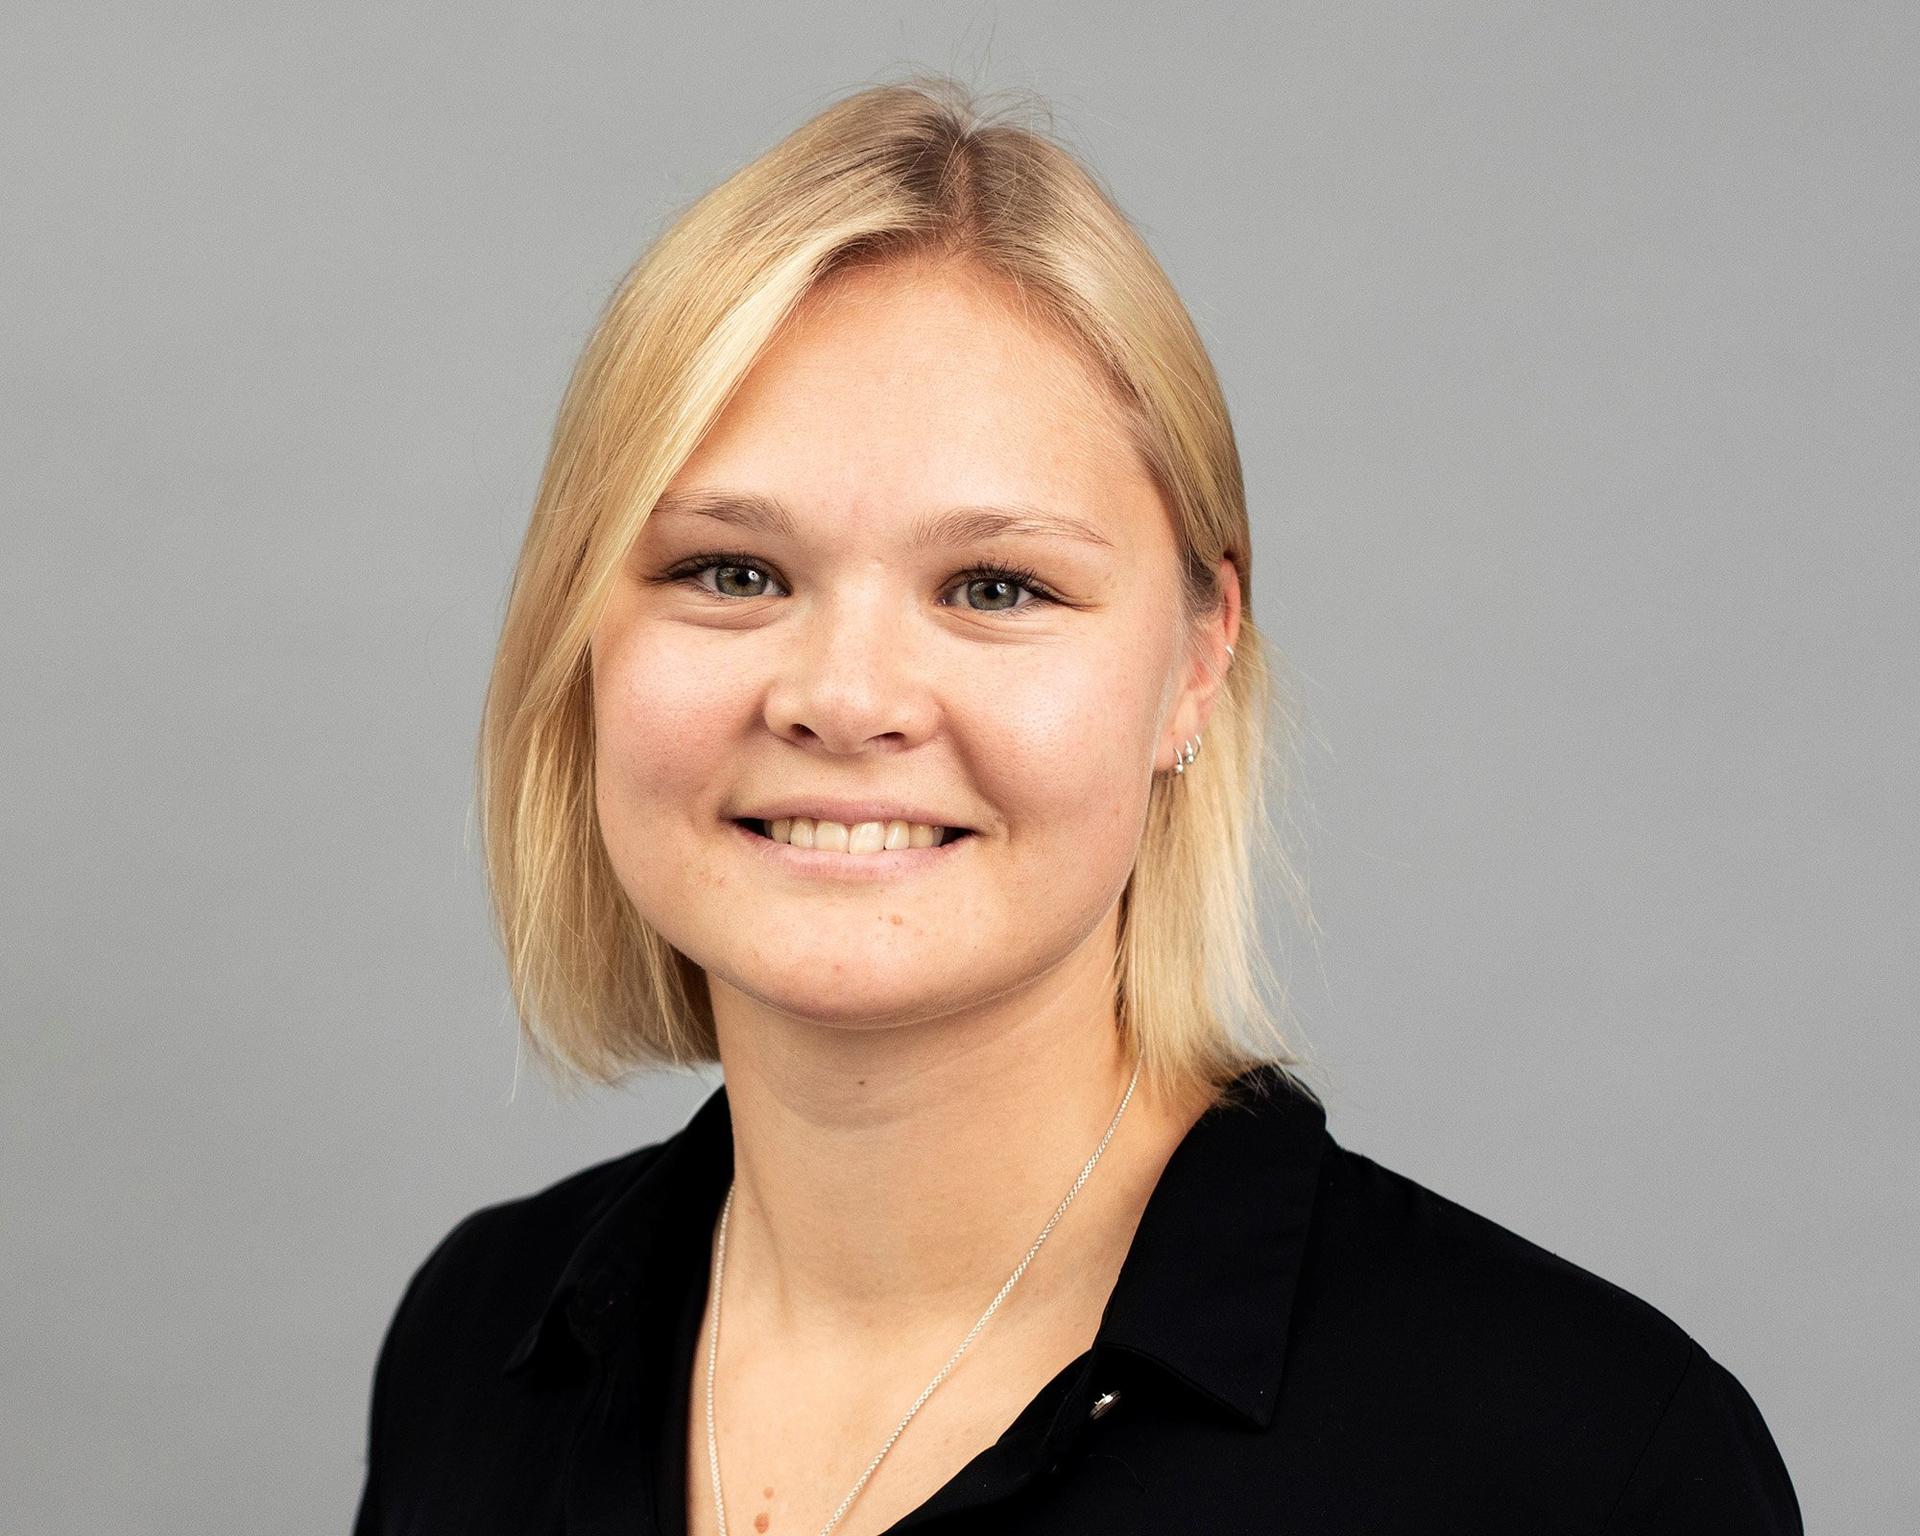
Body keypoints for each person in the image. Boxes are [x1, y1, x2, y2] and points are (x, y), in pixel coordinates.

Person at [350, 76, 1801, 1535]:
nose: (845, 698)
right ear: (579, 636)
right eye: (732, 572)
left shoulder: (1583, 1461)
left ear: (1195, 664)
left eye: (996, 588)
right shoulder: (476, 1348)